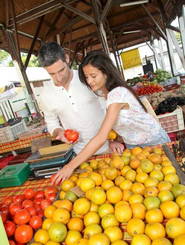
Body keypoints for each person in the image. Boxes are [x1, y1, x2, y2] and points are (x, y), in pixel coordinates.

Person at [51, 50, 170, 185]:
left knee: (165, 182)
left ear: (106, 72)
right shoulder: (106, 95)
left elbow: (101, 137)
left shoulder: (117, 94)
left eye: (93, 76)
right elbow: (123, 122)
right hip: (133, 146)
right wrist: (116, 140)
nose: (89, 81)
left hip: (153, 142)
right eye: (86, 77)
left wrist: (69, 166)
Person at [37, 42, 123, 158]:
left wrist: (114, 138)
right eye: (52, 74)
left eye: (61, 70)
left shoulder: (87, 78)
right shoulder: (45, 94)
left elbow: (109, 106)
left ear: (67, 58)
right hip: (79, 153)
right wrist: (59, 132)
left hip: (109, 146)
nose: (58, 77)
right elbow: (51, 121)